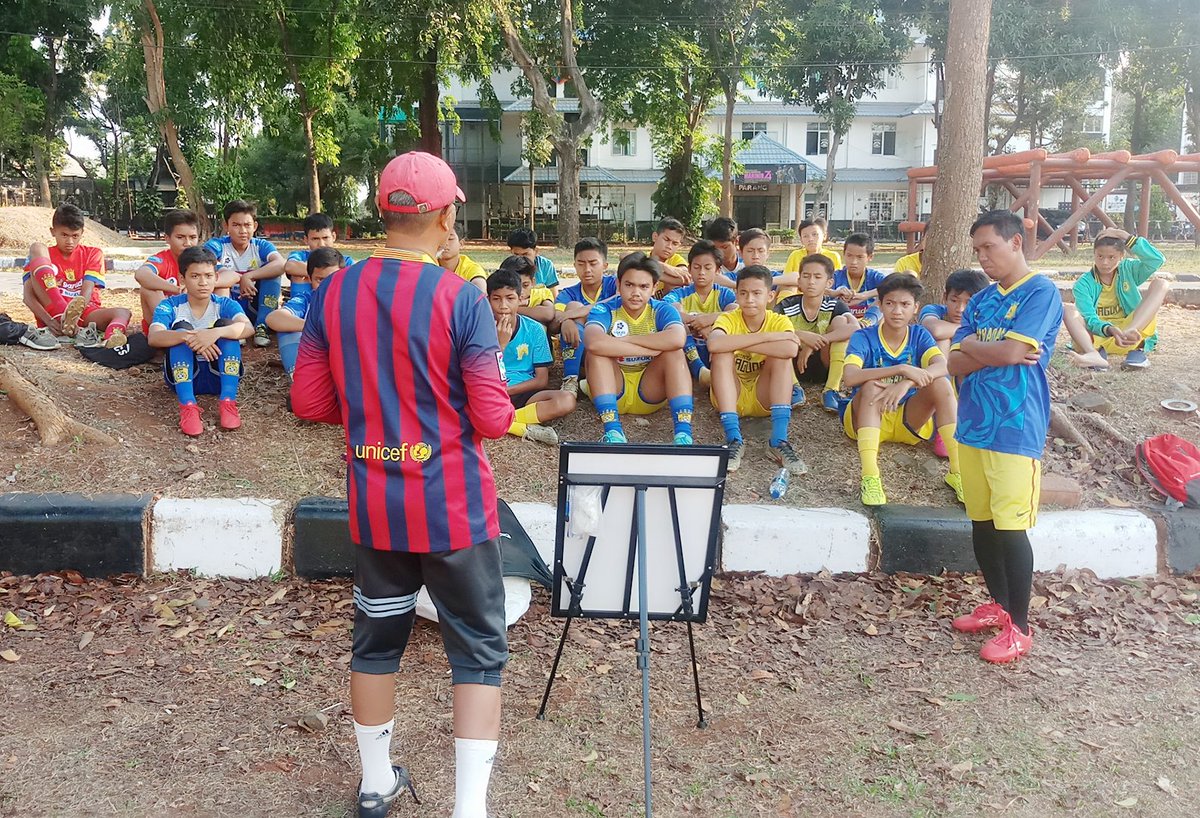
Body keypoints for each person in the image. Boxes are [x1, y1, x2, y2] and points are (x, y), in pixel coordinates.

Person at [291, 151, 513, 818]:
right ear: (447, 215)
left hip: (376, 507)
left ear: (384, 213)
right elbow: (493, 419)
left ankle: (374, 782)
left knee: (376, 641)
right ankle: (469, 809)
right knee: (476, 652)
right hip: (453, 510)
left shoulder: (334, 290)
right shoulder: (462, 298)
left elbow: (308, 400)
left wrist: (369, 411)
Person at [947, 210, 1064, 665]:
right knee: (981, 522)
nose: (982, 257)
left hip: (1017, 428)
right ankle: (998, 605)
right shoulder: (980, 300)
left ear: (1016, 243)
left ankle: (1020, 627)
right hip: (973, 423)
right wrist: (984, 351)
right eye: (977, 249)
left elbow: (1016, 350)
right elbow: (954, 362)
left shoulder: (1041, 292)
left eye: (989, 247)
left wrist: (977, 348)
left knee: (1012, 529)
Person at [841, 273, 962, 508]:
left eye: (905, 304)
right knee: (869, 386)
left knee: (941, 383)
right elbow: (850, 377)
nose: (897, 311)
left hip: (909, 419)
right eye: (890, 303)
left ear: (915, 308)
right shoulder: (863, 336)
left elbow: (942, 365)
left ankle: (957, 472)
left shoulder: (919, 335)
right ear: (880, 305)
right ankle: (870, 476)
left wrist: (907, 382)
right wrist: (902, 369)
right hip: (867, 417)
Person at [582, 252, 694, 445]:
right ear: (618, 285)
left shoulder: (662, 309)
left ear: (654, 288)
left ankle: (683, 434)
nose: (636, 293)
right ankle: (613, 432)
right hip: (612, 388)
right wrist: (648, 348)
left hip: (650, 391)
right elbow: (593, 341)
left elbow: (677, 338)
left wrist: (628, 340)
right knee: (596, 354)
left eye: (644, 286)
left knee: (674, 353)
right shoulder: (605, 309)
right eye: (629, 285)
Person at [707, 265, 806, 474]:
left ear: (770, 296)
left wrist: (736, 342)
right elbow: (714, 345)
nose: (749, 299)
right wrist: (768, 337)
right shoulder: (728, 318)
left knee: (781, 358)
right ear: (736, 294)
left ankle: (778, 440)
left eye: (756, 293)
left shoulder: (778, 320)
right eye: (743, 293)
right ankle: (734, 438)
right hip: (732, 396)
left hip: (765, 397)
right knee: (722, 354)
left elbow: (790, 348)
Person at [147, 246, 253, 436]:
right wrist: (191, 337)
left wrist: (215, 333)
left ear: (216, 277)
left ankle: (228, 402)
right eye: (195, 276)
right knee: (180, 329)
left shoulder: (225, 304)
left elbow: (248, 328)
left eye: (208, 276)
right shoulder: (170, 305)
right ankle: (188, 406)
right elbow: (154, 336)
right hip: (183, 378)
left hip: (220, 376)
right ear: (182, 279)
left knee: (228, 329)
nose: (203, 282)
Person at [22, 203, 132, 349]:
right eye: (64, 235)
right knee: (36, 247)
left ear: (82, 233)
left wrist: (74, 318)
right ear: (52, 231)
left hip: (83, 313)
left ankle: (110, 339)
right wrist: (49, 321)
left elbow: (86, 291)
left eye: (75, 236)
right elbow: (28, 297)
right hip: (52, 314)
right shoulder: (42, 256)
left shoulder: (93, 253)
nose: (69, 242)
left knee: (123, 312)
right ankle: (61, 311)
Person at [487, 269, 575, 445]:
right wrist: (500, 346)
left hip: (522, 392)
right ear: (488, 300)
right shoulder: (479, 328)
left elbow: (541, 380)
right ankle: (521, 428)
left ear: (520, 299)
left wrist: (508, 391)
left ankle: (504, 420)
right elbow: (479, 373)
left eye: (510, 298)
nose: (503, 305)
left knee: (566, 400)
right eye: (496, 299)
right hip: (489, 391)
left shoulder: (534, 329)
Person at [1068, 227, 1167, 369]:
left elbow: (1156, 260)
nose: (1105, 263)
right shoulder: (1083, 284)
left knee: (1161, 284)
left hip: (1130, 335)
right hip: (1098, 336)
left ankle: (1133, 333)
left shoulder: (1128, 270)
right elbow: (1089, 318)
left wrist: (1126, 236)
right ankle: (1093, 355)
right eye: (1100, 256)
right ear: (1094, 254)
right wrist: (1109, 329)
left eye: (1111, 257)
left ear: (1122, 256)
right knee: (1069, 310)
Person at [918, 268, 990, 457]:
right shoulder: (934, 310)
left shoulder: (986, 318)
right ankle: (946, 423)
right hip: (931, 383)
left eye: (969, 302)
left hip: (967, 380)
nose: (960, 309)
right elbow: (936, 330)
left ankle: (960, 419)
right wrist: (965, 331)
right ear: (944, 298)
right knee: (945, 342)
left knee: (965, 349)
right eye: (954, 300)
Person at [776, 254, 858, 413]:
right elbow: (771, 329)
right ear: (799, 281)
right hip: (792, 365)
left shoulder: (835, 305)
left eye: (817, 277)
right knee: (781, 332)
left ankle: (831, 390)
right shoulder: (787, 305)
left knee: (841, 322)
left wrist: (816, 343)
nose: (811, 281)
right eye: (806, 276)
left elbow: (855, 328)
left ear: (829, 283)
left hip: (825, 362)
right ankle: (794, 388)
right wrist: (802, 335)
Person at [135, 209, 236, 335]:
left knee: (222, 285)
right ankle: (169, 331)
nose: (187, 243)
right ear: (167, 238)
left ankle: (215, 327)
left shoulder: (201, 258)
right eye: (180, 237)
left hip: (201, 320)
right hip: (170, 321)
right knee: (148, 288)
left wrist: (202, 285)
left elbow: (232, 275)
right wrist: (176, 289)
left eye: (192, 237)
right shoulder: (161, 259)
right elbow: (141, 274)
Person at [204, 199, 286, 347]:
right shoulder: (217, 245)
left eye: (247, 225)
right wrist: (238, 279)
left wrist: (249, 276)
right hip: (230, 304)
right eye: (236, 225)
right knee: (218, 279)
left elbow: (281, 264)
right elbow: (204, 264)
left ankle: (262, 326)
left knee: (273, 274)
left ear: (254, 226)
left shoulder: (260, 246)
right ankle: (230, 325)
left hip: (256, 305)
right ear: (226, 225)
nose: (242, 231)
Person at [662, 239, 737, 386]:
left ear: (717, 270)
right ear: (689, 269)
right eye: (696, 267)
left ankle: (712, 372)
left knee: (732, 316)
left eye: (707, 268)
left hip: (714, 351)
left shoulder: (724, 294)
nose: (701, 272)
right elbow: (664, 308)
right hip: (687, 352)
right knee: (675, 313)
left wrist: (709, 319)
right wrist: (696, 322)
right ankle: (699, 370)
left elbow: (738, 311)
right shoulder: (680, 293)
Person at [266, 246, 344, 378]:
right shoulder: (307, 299)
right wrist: (313, 327)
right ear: (309, 279)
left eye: (333, 279)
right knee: (286, 328)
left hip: (345, 363)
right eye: (320, 280)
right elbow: (273, 318)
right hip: (316, 362)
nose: (326, 286)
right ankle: (299, 378)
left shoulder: (352, 300)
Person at [555, 237, 618, 397]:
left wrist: (584, 311)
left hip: (616, 346)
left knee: (576, 309)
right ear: (574, 265)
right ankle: (571, 380)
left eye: (593, 263)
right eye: (581, 264)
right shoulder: (568, 293)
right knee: (573, 306)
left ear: (605, 266)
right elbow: (559, 316)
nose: (587, 269)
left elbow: (622, 298)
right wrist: (567, 320)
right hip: (584, 353)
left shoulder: (614, 284)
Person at [282, 213, 354, 301]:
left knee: (298, 276)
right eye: (315, 239)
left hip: (334, 307)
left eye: (325, 238)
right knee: (296, 276)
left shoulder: (346, 261)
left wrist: (313, 277)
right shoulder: (300, 256)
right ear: (306, 239)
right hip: (302, 309)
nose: (321, 244)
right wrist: (333, 276)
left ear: (333, 236)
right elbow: (289, 267)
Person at [832, 233, 888, 326]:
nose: (853, 262)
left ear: (870, 257)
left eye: (860, 257)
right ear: (844, 254)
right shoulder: (835, 277)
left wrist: (865, 295)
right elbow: (816, 289)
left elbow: (897, 286)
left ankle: (864, 324)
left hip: (869, 324)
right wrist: (833, 293)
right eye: (849, 256)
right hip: (842, 324)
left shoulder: (874, 277)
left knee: (885, 298)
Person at [782, 216, 843, 281]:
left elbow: (836, 281)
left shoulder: (833, 256)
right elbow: (786, 278)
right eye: (805, 236)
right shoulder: (795, 255)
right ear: (801, 239)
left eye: (814, 234)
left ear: (824, 236)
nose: (810, 239)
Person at [506, 227, 559, 294]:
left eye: (525, 254)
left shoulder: (546, 265)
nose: (521, 259)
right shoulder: (508, 266)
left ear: (536, 251)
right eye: (516, 255)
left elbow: (554, 295)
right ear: (511, 252)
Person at [506, 257, 556, 326]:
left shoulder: (541, 294)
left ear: (533, 282)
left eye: (525, 285)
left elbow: (548, 314)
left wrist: (513, 309)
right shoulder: (501, 297)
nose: (521, 291)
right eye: (514, 286)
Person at [440, 222, 487, 292]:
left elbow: (479, 289)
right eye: (441, 238)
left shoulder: (471, 269)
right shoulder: (428, 263)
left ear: (461, 243)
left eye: (450, 239)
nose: (445, 243)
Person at [647, 216, 691, 292]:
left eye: (675, 243)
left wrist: (652, 270)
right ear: (655, 237)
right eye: (666, 240)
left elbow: (685, 278)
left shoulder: (676, 259)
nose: (669, 246)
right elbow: (624, 256)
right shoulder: (645, 257)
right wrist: (662, 266)